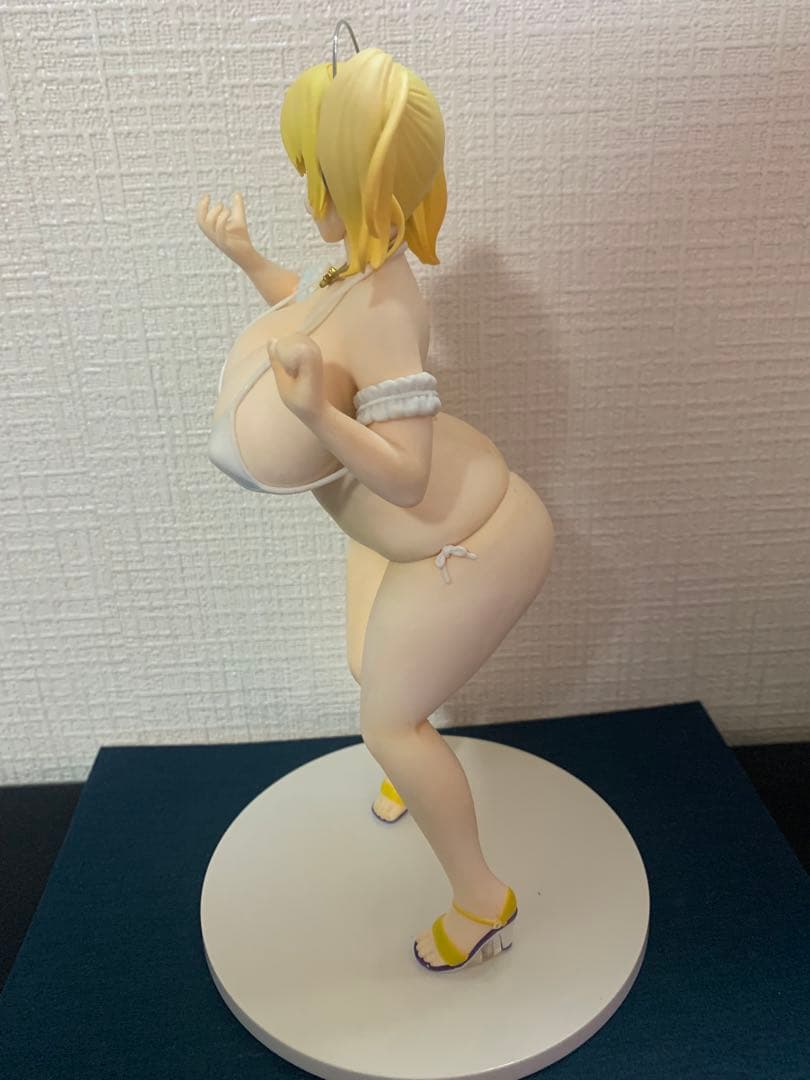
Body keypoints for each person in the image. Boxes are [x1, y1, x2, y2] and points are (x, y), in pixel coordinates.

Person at [196, 46, 554, 973]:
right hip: (398, 543)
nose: (304, 192)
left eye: (314, 173)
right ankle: (413, 760)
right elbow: (313, 313)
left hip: (471, 544)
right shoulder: (356, 269)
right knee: (371, 665)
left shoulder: (393, 306)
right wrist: (249, 260)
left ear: (359, 182)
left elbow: (405, 476)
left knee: (387, 721)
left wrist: (317, 415)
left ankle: (480, 896)